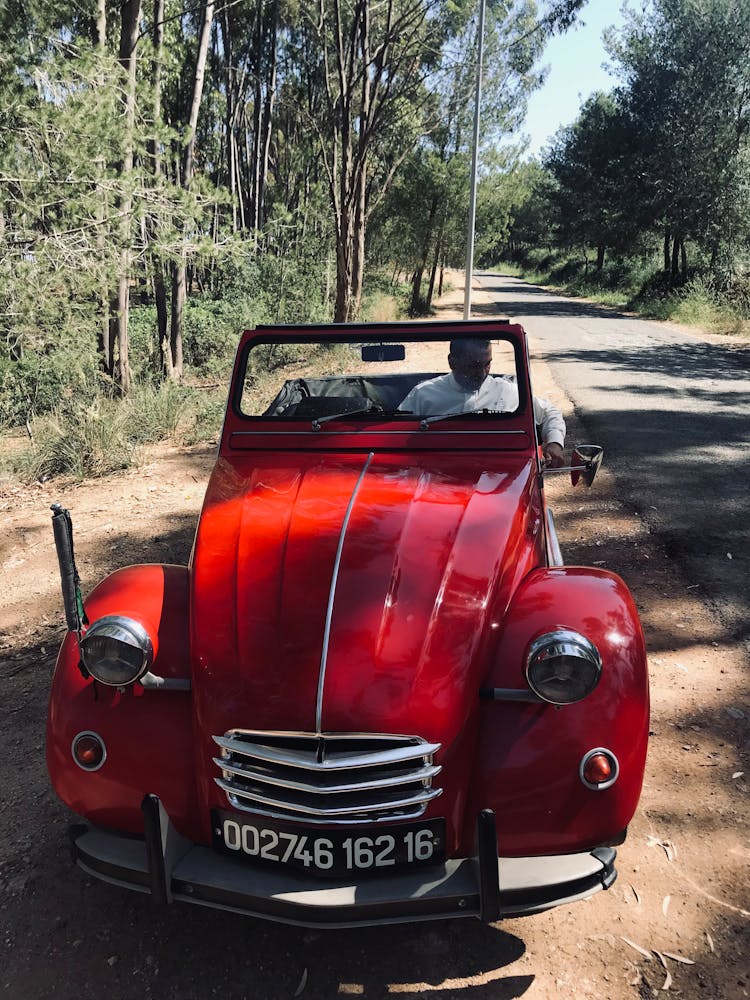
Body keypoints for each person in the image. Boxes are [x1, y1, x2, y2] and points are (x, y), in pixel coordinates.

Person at [398, 338, 566, 468]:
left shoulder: (506, 391)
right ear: (452, 362)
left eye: (487, 364)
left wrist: (555, 443)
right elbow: (395, 432)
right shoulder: (424, 394)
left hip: (496, 474)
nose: (482, 373)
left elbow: (548, 412)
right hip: (434, 474)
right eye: (474, 365)